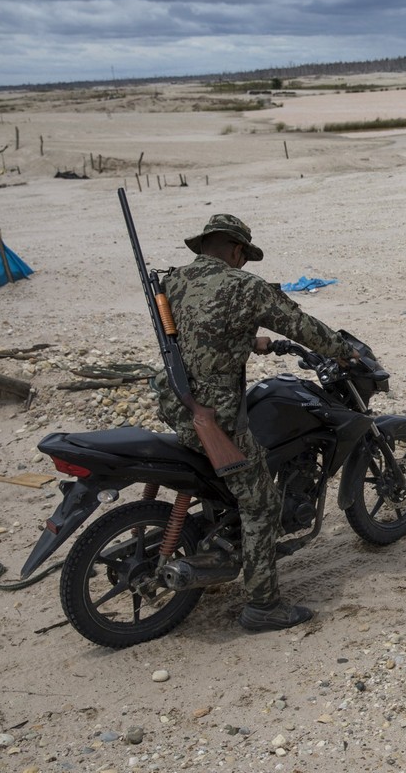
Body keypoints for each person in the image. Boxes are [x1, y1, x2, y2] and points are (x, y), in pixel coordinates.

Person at [156, 214, 355, 632]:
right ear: (236, 250)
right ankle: (263, 606)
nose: (245, 263)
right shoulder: (244, 286)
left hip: (176, 402)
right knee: (263, 501)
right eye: (245, 256)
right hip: (216, 413)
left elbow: (194, 334)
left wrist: (251, 341)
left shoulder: (173, 282)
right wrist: (340, 350)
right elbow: (301, 326)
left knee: (234, 480)